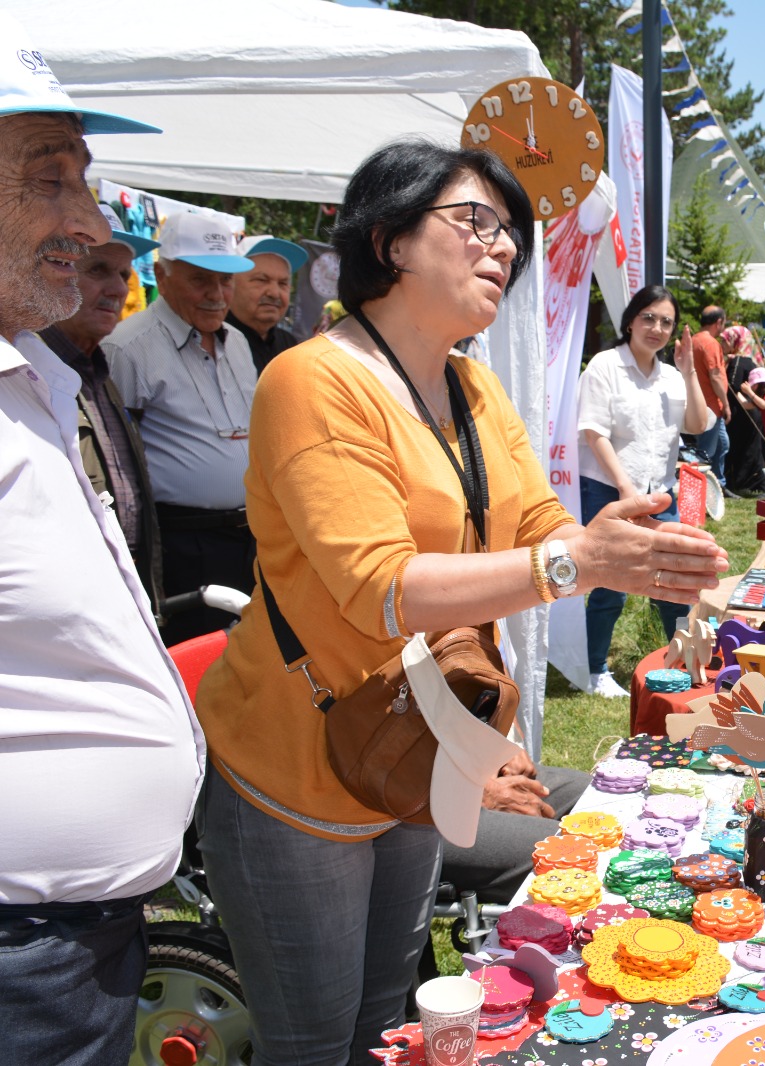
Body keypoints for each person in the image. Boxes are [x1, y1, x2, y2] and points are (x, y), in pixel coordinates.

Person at [192, 141, 727, 1064]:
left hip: (419, 745)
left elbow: (542, 521)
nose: (504, 248)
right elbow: (381, 586)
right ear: (391, 239)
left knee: (385, 1028)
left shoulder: (471, 385)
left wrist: (619, 544)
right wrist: (575, 567)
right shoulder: (312, 380)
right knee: (313, 1042)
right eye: (474, 221)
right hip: (294, 775)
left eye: (510, 234)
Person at [0, 20, 204, 1062]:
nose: (86, 218)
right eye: (49, 180)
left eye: (85, 178)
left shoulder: (33, 373)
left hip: (80, 944)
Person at [105, 210, 260, 643]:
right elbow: (115, 462)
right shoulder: (128, 348)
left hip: (248, 538)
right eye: (200, 280)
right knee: (195, 658)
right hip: (180, 545)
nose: (216, 294)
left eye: (225, 281)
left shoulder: (238, 341)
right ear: (161, 274)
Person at [576, 284, 711, 699]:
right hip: (609, 489)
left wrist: (688, 370)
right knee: (608, 584)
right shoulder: (605, 366)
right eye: (648, 317)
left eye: (666, 321)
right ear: (631, 320)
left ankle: (674, 659)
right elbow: (593, 432)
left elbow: (698, 422)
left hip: (660, 494)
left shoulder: (671, 375)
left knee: (674, 581)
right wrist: (624, 487)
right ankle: (594, 669)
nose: (656, 327)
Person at [38, 203, 164, 611]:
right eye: (97, 270)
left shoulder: (98, 370)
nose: (118, 289)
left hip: (123, 592)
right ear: (54, 268)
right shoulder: (28, 373)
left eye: (124, 274)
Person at [227, 234, 308, 374]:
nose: (274, 293)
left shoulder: (289, 345)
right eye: (261, 280)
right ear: (230, 283)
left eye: (283, 283)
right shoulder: (211, 344)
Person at [720, 323, 765, 496]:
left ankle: (741, 483)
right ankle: (756, 484)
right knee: (751, 449)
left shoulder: (738, 361)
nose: (722, 345)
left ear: (735, 341)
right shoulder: (751, 360)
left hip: (741, 414)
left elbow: (733, 387)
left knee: (740, 449)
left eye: (725, 341)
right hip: (750, 412)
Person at [690, 304, 729, 484]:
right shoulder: (710, 343)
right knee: (706, 452)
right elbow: (715, 376)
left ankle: (719, 484)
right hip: (711, 407)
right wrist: (726, 404)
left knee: (722, 444)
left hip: (700, 405)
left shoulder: (692, 340)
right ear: (719, 322)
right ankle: (701, 490)